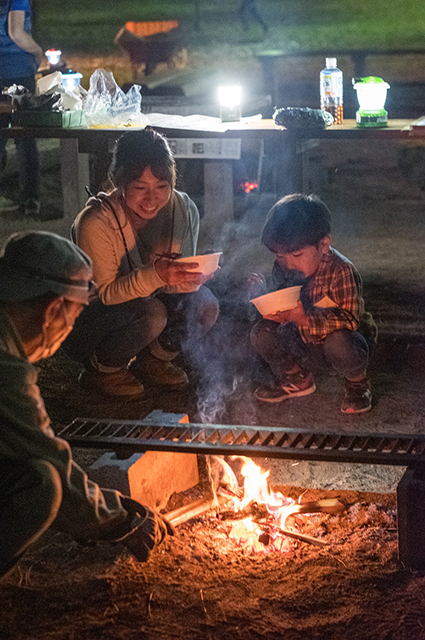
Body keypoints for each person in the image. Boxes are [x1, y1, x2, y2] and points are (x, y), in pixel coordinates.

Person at [0, 230, 173, 581]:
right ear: (52, 309)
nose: (71, 325)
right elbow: (52, 463)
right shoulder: (6, 372)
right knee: (42, 484)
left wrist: (109, 503)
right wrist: (122, 521)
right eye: (76, 314)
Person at [64, 128, 220, 398]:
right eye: (139, 188)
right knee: (152, 313)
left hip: (150, 303)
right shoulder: (96, 222)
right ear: (117, 181)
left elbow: (173, 287)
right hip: (92, 321)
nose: (152, 198)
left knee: (205, 304)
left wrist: (190, 278)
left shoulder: (183, 209)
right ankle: (103, 368)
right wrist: (158, 276)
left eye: (162, 187)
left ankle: (154, 360)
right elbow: (104, 295)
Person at [250, 194, 377, 414]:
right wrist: (262, 295)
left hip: (340, 345)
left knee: (340, 340)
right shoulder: (283, 268)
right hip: (302, 343)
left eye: (297, 255)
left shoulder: (341, 270)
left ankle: (357, 383)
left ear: (324, 244)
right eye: (281, 256)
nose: (289, 263)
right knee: (260, 332)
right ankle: (297, 377)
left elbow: (350, 319)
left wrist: (305, 318)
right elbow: (279, 300)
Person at [0, 0, 42, 216]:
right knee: (25, 137)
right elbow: (16, 33)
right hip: (18, 70)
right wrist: (37, 52)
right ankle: (30, 199)